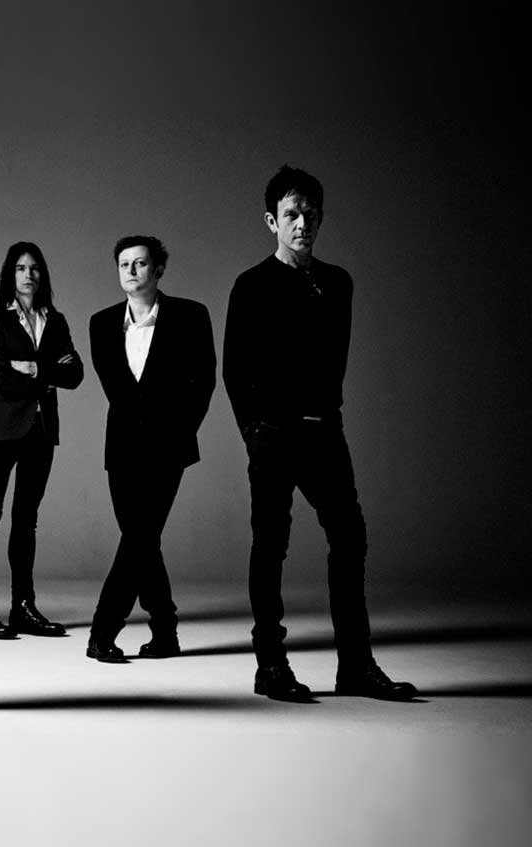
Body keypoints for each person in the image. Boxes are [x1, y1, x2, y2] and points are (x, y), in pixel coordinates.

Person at [223, 164, 417, 701]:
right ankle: (270, 666)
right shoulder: (252, 285)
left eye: (310, 214)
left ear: (321, 217)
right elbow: (234, 371)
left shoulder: (338, 282)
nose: (302, 223)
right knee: (271, 545)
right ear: (271, 221)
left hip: (324, 431)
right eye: (291, 214)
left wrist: (326, 412)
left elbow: (335, 360)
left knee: (350, 538)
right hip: (273, 434)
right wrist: (255, 431)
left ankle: (355, 665)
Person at [86, 236, 215, 662]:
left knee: (139, 538)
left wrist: (179, 432)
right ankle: (165, 633)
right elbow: (116, 390)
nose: (131, 271)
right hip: (122, 448)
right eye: (124, 264)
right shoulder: (101, 323)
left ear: (158, 270)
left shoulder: (191, 316)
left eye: (140, 263)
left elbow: (204, 382)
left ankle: (102, 632)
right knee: (142, 541)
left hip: (168, 447)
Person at [0, 242, 84, 639]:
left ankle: (23, 607)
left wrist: (33, 368)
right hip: (3, 428)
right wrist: (48, 373)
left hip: (42, 430)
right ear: (10, 275)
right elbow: (1, 379)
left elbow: (75, 375)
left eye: (34, 268)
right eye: (20, 268)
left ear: (42, 274)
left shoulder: (56, 321)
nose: (28, 274)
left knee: (26, 520)